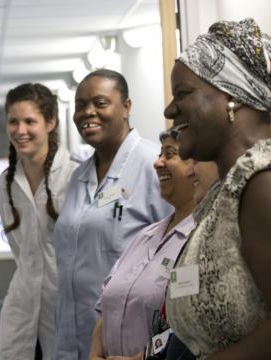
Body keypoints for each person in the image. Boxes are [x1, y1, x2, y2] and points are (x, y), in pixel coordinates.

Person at [164, 18, 271, 359]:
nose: (169, 110)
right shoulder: (222, 192)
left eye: (182, 94)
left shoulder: (262, 182)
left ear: (232, 95)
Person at [52, 69, 173, 360]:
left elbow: (178, 254)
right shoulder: (79, 175)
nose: (87, 112)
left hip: (126, 343)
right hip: (73, 336)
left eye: (100, 102)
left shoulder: (154, 166)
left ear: (126, 107)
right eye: (80, 105)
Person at [88, 130, 197, 360]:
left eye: (170, 154)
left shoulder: (198, 240)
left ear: (196, 167)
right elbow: (106, 303)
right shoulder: (145, 236)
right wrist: (95, 354)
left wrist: (139, 359)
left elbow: (188, 326)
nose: (158, 163)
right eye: (160, 154)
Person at [0, 83, 78, 360]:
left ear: (51, 122)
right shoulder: (4, 184)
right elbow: (19, 250)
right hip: (23, 305)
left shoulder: (76, 177)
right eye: (13, 121)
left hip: (69, 305)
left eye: (30, 121)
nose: (20, 131)